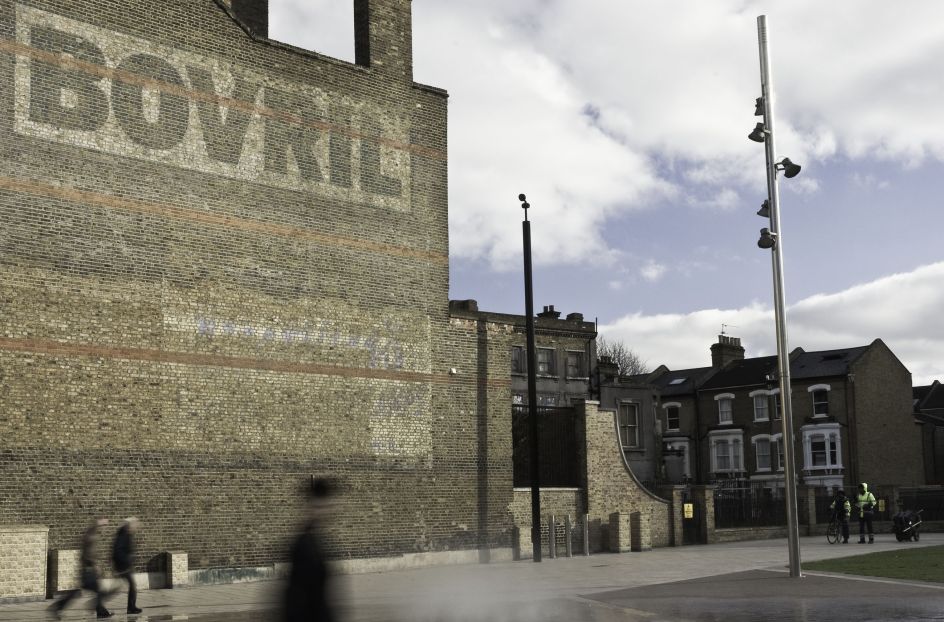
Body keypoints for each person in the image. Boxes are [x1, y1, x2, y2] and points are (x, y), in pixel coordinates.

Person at [284, 477, 337, 622]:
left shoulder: (317, 540)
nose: (328, 510)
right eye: (321, 506)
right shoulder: (304, 545)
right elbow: (298, 600)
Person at [49, 518, 114, 619]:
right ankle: (96, 609)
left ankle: (58, 607)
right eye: (104, 526)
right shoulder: (92, 536)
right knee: (101, 592)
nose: (105, 528)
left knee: (78, 592)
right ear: (98, 526)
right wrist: (94, 564)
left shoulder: (92, 535)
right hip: (88, 571)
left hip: (87, 570)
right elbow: (88, 554)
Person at [112, 518, 143, 614]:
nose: (136, 527)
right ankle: (131, 608)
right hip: (122, 566)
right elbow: (118, 551)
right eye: (135, 525)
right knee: (132, 586)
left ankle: (131, 607)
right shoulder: (123, 535)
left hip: (124, 565)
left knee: (132, 586)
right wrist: (127, 560)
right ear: (130, 525)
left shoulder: (127, 534)